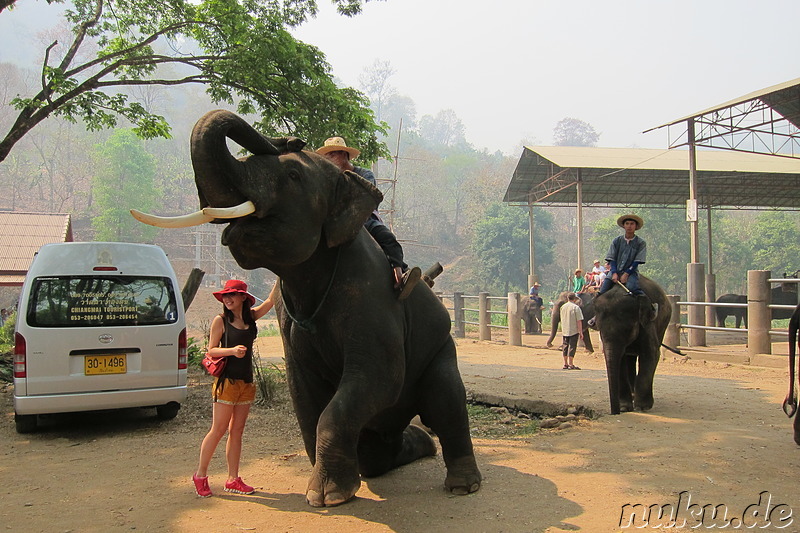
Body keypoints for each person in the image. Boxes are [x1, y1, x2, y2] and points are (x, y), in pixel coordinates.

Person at [192, 279, 278, 498]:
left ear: (243, 298)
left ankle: (233, 479)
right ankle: (200, 475)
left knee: (237, 431)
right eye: (225, 296)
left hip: (246, 383)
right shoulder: (220, 320)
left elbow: (270, 301)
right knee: (218, 429)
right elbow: (211, 350)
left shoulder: (251, 317)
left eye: (232, 295)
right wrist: (231, 351)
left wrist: (281, 276)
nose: (227, 299)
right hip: (227, 383)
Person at [316, 137, 421, 300]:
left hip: (364, 219)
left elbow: (366, 200)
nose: (329, 159)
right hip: (336, 222)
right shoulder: (327, 179)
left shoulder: (364, 174)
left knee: (386, 238)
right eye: (327, 155)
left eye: (332, 154)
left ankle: (400, 274)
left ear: (344, 155)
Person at [598, 214, 646, 296]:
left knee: (633, 288)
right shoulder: (616, 241)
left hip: (631, 272)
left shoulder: (640, 243)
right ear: (624, 226)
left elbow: (637, 260)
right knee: (602, 291)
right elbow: (612, 258)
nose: (629, 226)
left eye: (632, 224)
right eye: (627, 223)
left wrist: (627, 273)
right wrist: (614, 273)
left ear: (636, 226)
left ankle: (649, 304)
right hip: (615, 270)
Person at [559, 293, 583, 370]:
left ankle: (565, 363)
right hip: (573, 330)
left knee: (565, 346)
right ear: (575, 299)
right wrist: (581, 332)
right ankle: (571, 364)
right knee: (572, 346)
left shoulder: (563, 307)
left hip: (565, 329)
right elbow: (579, 321)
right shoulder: (576, 307)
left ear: (567, 298)